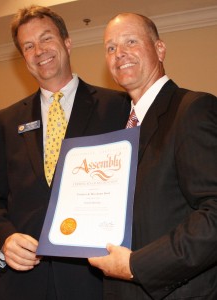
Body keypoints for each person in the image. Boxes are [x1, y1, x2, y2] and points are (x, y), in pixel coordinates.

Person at [0, 6, 130, 300]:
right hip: (23, 283)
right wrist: (4, 239)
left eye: (46, 39)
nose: (39, 51)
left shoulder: (117, 106)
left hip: (94, 281)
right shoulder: (7, 121)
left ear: (67, 42)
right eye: (28, 46)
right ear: (23, 58)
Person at [88, 12, 217, 300]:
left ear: (160, 49)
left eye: (130, 42)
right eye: (110, 48)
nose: (119, 54)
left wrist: (137, 265)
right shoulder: (120, 130)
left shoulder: (191, 109)